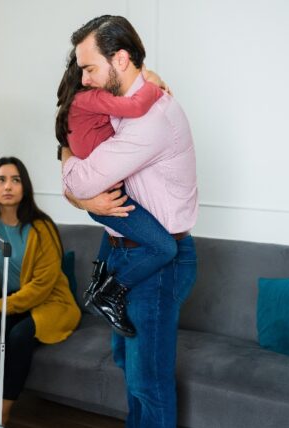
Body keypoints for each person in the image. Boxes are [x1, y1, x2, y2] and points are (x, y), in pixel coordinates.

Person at [59, 15, 198, 428]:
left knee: (148, 384)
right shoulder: (127, 103)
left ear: (120, 59)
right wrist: (81, 189)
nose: (84, 79)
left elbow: (81, 178)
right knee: (129, 370)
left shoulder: (148, 122)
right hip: (124, 249)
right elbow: (85, 174)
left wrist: (69, 169)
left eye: (89, 68)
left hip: (156, 265)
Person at [55, 49, 177, 338]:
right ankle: (108, 293)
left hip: (109, 196)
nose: (93, 77)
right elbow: (135, 106)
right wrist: (153, 84)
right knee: (165, 247)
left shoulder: (79, 107)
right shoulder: (89, 100)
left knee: (119, 235)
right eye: (89, 70)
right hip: (108, 197)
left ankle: (99, 284)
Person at [0, 157, 81, 426]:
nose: (8, 186)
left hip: (48, 302)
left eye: (15, 180)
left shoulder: (42, 227)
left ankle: (3, 412)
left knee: (19, 336)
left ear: (25, 187)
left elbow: (41, 288)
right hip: (8, 301)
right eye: (1, 180)